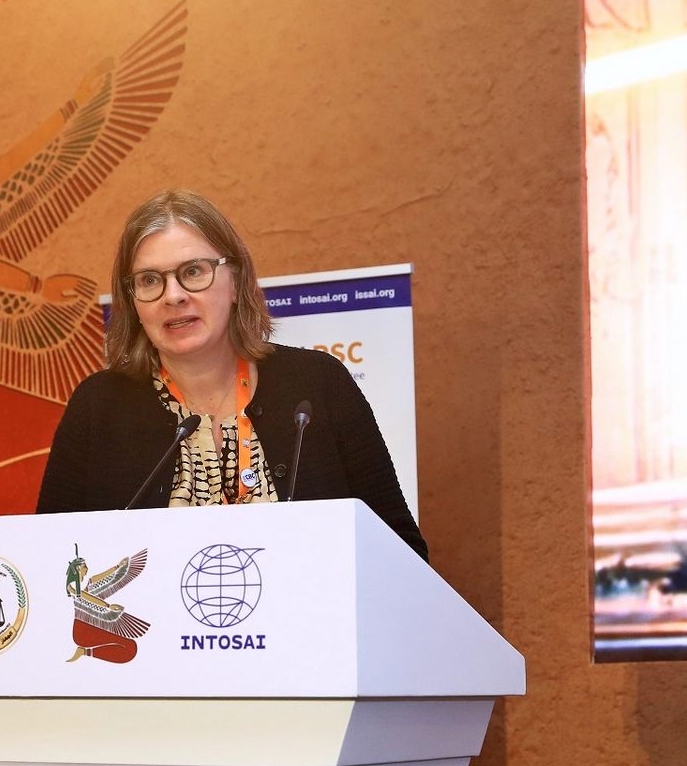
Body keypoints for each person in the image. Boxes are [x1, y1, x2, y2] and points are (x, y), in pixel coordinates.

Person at [35, 189, 427, 560]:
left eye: (193, 271)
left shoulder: (319, 385)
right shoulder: (98, 407)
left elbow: (401, 552)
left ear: (236, 282)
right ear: (132, 300)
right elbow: (51, 563)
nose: (173, 296)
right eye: (150, 280)